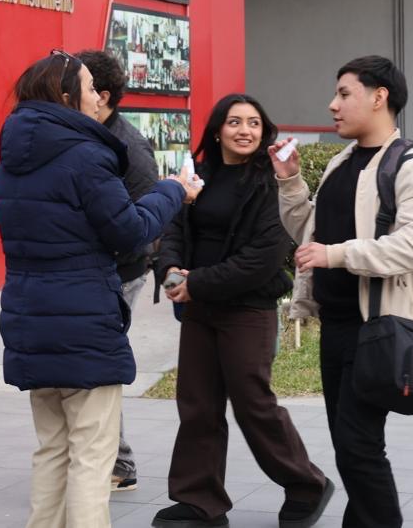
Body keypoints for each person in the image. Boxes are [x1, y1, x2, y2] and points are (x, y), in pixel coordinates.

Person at [0, 49, 198, 528]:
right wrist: (173, 190)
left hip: (30, 320)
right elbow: (130, 231)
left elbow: (40, 206)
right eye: (88, 88)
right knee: (91, 456)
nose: (96, 98)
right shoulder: (86, 155)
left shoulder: (16, 152)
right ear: (66, 97)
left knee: (52, 450)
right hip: (84, 320)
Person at [274, 56, 413, 528]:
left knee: (357, 446)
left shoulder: (412, 168)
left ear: (379, 97)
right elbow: (311, 234)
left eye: (344, 93)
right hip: (337, 325)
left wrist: (336, 255)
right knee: (351, 445)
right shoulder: (341, 163)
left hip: (379, 328)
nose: (333, 105)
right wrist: (289, 181)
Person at [153, 94, 332, 528]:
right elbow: (173, 228)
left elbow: (264, 257)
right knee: (198, 404)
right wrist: (171, 269)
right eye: (234, 122)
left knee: (253, 403)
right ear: (218, 130)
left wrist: (197, 282)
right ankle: (200, 502)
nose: (244, 130)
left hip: (248, 309)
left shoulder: (271, 182)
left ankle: (306, 484)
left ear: (263, 131)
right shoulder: (201, 174)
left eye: (253, 123)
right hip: (199, 308)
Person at [72, 50, 159, 494]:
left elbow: (142, 225)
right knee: (86, 363)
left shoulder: (130, 148)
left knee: (98, 364)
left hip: (119, 273)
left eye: (81, 85)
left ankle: (120, 463)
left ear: (102, 96)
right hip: (88, 271)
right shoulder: (83, 134)